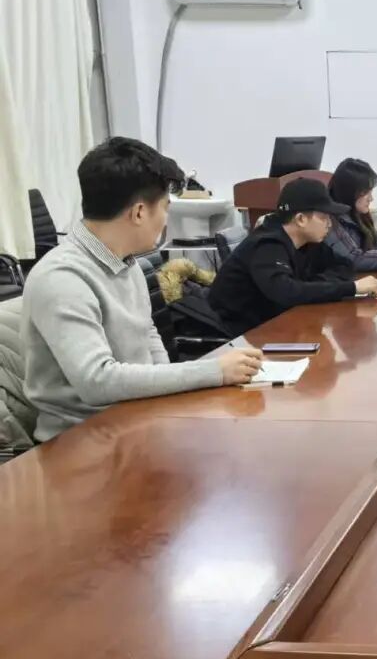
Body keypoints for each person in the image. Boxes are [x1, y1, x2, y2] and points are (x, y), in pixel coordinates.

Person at [21, 136, 264, 441]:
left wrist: (169, 392)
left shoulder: (127, 262)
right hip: (80, 442)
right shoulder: (61, 278)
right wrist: (214, 372)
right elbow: (96, 381)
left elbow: (147, 333)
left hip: (137, 424)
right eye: (165, 208)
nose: (165, 220)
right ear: (138, 213)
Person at [209, 177, 377, 335]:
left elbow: (345, 266)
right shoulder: (267, 245)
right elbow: (287, 293)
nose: (330, 224)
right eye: (323, 217)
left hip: (274, 325)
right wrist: (351, 288)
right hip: (236, 335)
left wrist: (311, 286)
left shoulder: (308, 241)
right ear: (301, 219)